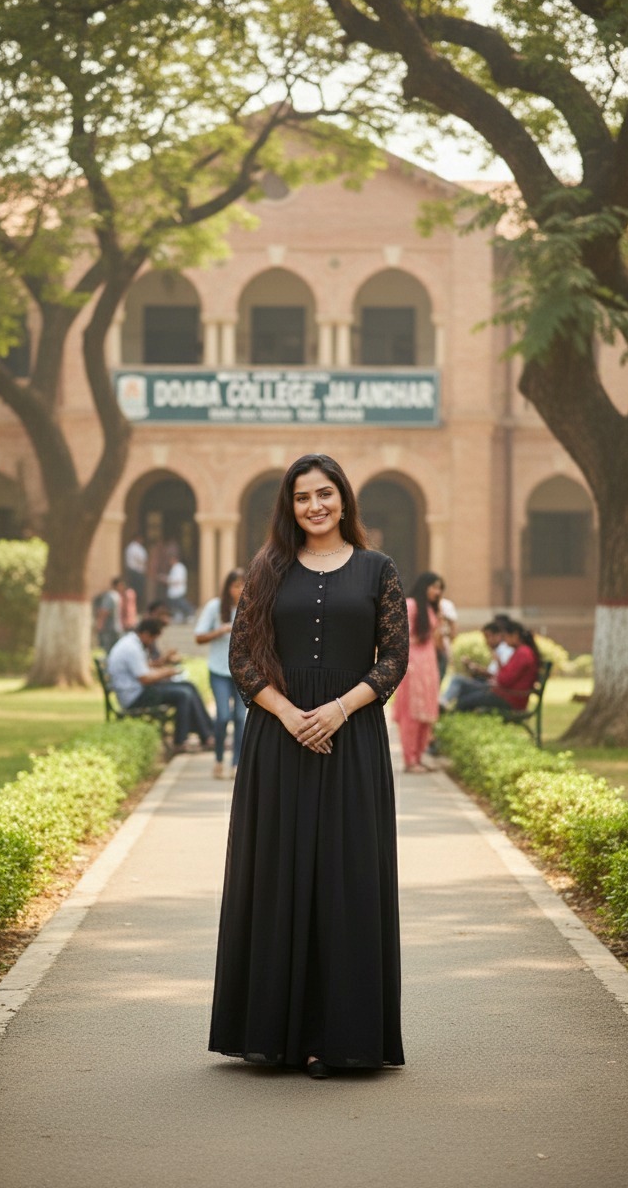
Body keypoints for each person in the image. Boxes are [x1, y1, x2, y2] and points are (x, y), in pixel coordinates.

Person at [209, 454, 409, 1079]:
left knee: (346, 877)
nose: (315, 506)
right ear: (289, 507)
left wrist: (338, 711)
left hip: (351, 742)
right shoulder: (267, 568)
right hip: (279, 739)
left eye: (325, 494)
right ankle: (273, 1032)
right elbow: (242, 656)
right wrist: (291, 714)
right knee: (277, 874)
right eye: (302, 498)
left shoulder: (379, 569)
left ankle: (338, 1036)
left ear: (344, 499)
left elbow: (394, 658)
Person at [107, 617, 214, 754]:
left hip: (138, 690)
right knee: (184, 694)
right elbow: (145, 678)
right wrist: (167, 672)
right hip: (135, 696)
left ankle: (208, 734)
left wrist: (164, 666)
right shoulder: (131, 648)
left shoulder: (133, 643)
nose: (153, 643)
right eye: (153, 639)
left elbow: (144, 668)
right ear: (146, 634)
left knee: (188, 686)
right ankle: (181, 742)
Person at [195, 569, 247, 780]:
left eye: (243, 584)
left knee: (240, 718)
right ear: (227, 588)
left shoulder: (251, 606)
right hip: (219, 670)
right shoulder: (214, 607)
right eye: (235, 585)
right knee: (223, 716)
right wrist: (221, 630)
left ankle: (236, 764)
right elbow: (198, 637)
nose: (239, 589)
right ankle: (218, 759)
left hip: (243, 672)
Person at [392, 572, 444, 773]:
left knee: (427, 710)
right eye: (434, 587)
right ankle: (410, 759)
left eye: (440, 588)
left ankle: (419, 757)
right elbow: (401, 635)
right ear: (424, 587)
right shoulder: (411, 604)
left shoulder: (430, 608)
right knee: (412, 712)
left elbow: (436, 639)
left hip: (429, 665)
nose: (437, 592)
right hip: (413, 664)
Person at [454, 620, 540, 714]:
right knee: (466, 689)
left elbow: (504, 680)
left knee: (465, 701)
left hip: (511, 699)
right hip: (509, 695)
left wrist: (498, 663)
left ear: (515, 635)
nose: (505, 640)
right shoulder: (522, 651)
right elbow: (506, 676)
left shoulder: (523, 653)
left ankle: (454, 722)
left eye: (506, 636)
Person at [440, 619, 513, 708]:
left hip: (494, 688)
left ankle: (444, 701)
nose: (486, 641)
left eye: (488, 637)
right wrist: (473, 667)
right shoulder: (497, 651)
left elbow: (498, 675)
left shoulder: (504, 651)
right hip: (488, 683)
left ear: (498, 636)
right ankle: (445, 702)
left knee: (458, 680)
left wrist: (475, 668)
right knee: (462, 685)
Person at [162, 545, 193, 623]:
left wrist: (167, 580)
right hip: (173, 591)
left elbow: (178, 580)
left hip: (178, 590)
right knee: (176, 606)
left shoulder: (179, 567)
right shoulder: (174, 568)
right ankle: (180, 617)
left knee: (181, 604)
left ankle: (190, 614)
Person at [124, 532, 148, 613]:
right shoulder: (134, 548)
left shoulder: (132, 547)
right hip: (136, 572)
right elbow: (141, 560)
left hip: (134, 571)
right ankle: (137, 609)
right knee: (137, 591)